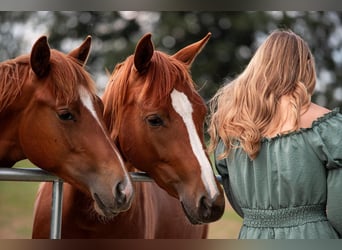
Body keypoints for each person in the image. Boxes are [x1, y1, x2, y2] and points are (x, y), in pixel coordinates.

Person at [207, 29, 342, 239]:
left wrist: (262, 219)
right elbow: (339, 213)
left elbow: (237, 201)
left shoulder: (231, 128)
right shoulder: (327, 128)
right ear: (305, 66)